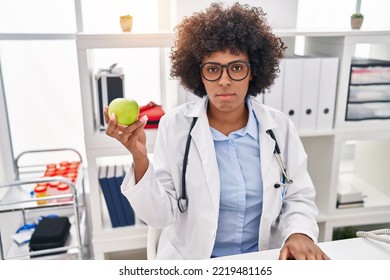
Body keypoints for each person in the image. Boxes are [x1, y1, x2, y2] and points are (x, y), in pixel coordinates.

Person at [104, 2, 329, 260]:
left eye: (236, 67)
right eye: (213, 69)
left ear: (252, 71)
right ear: (199, 75)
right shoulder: (175, 125)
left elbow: (298, 196)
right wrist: (140, 158)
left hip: (262, 260)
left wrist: (299, 232)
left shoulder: (279, 128)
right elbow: (160, 214)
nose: (224, 80)